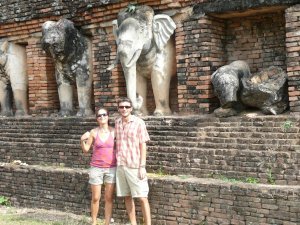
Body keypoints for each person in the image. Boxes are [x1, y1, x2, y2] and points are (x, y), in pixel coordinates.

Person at [114, 97, 151, 225]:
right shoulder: (117, 122)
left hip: (135, 165)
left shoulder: (138, 122)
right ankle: (133, 223)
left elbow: (143, 145)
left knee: (142, 197)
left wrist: (142, 166)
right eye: (121, 107)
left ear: (131, 108)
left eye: (127, 107)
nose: (124, 109)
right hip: (121, 165)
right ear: (118, 108)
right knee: (127, 196)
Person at [80, 108, 116, 225]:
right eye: (99, 115)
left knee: (109, 198)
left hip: (111, 168)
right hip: (96, 168)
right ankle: (94, 222)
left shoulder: (114, 131)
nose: (102, 117)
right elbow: (86, 150)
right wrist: (82, 140)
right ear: (97, 118)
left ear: (108, 116)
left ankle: (107, 223)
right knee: (96, 197)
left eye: (104, 115)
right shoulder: (93, 132)